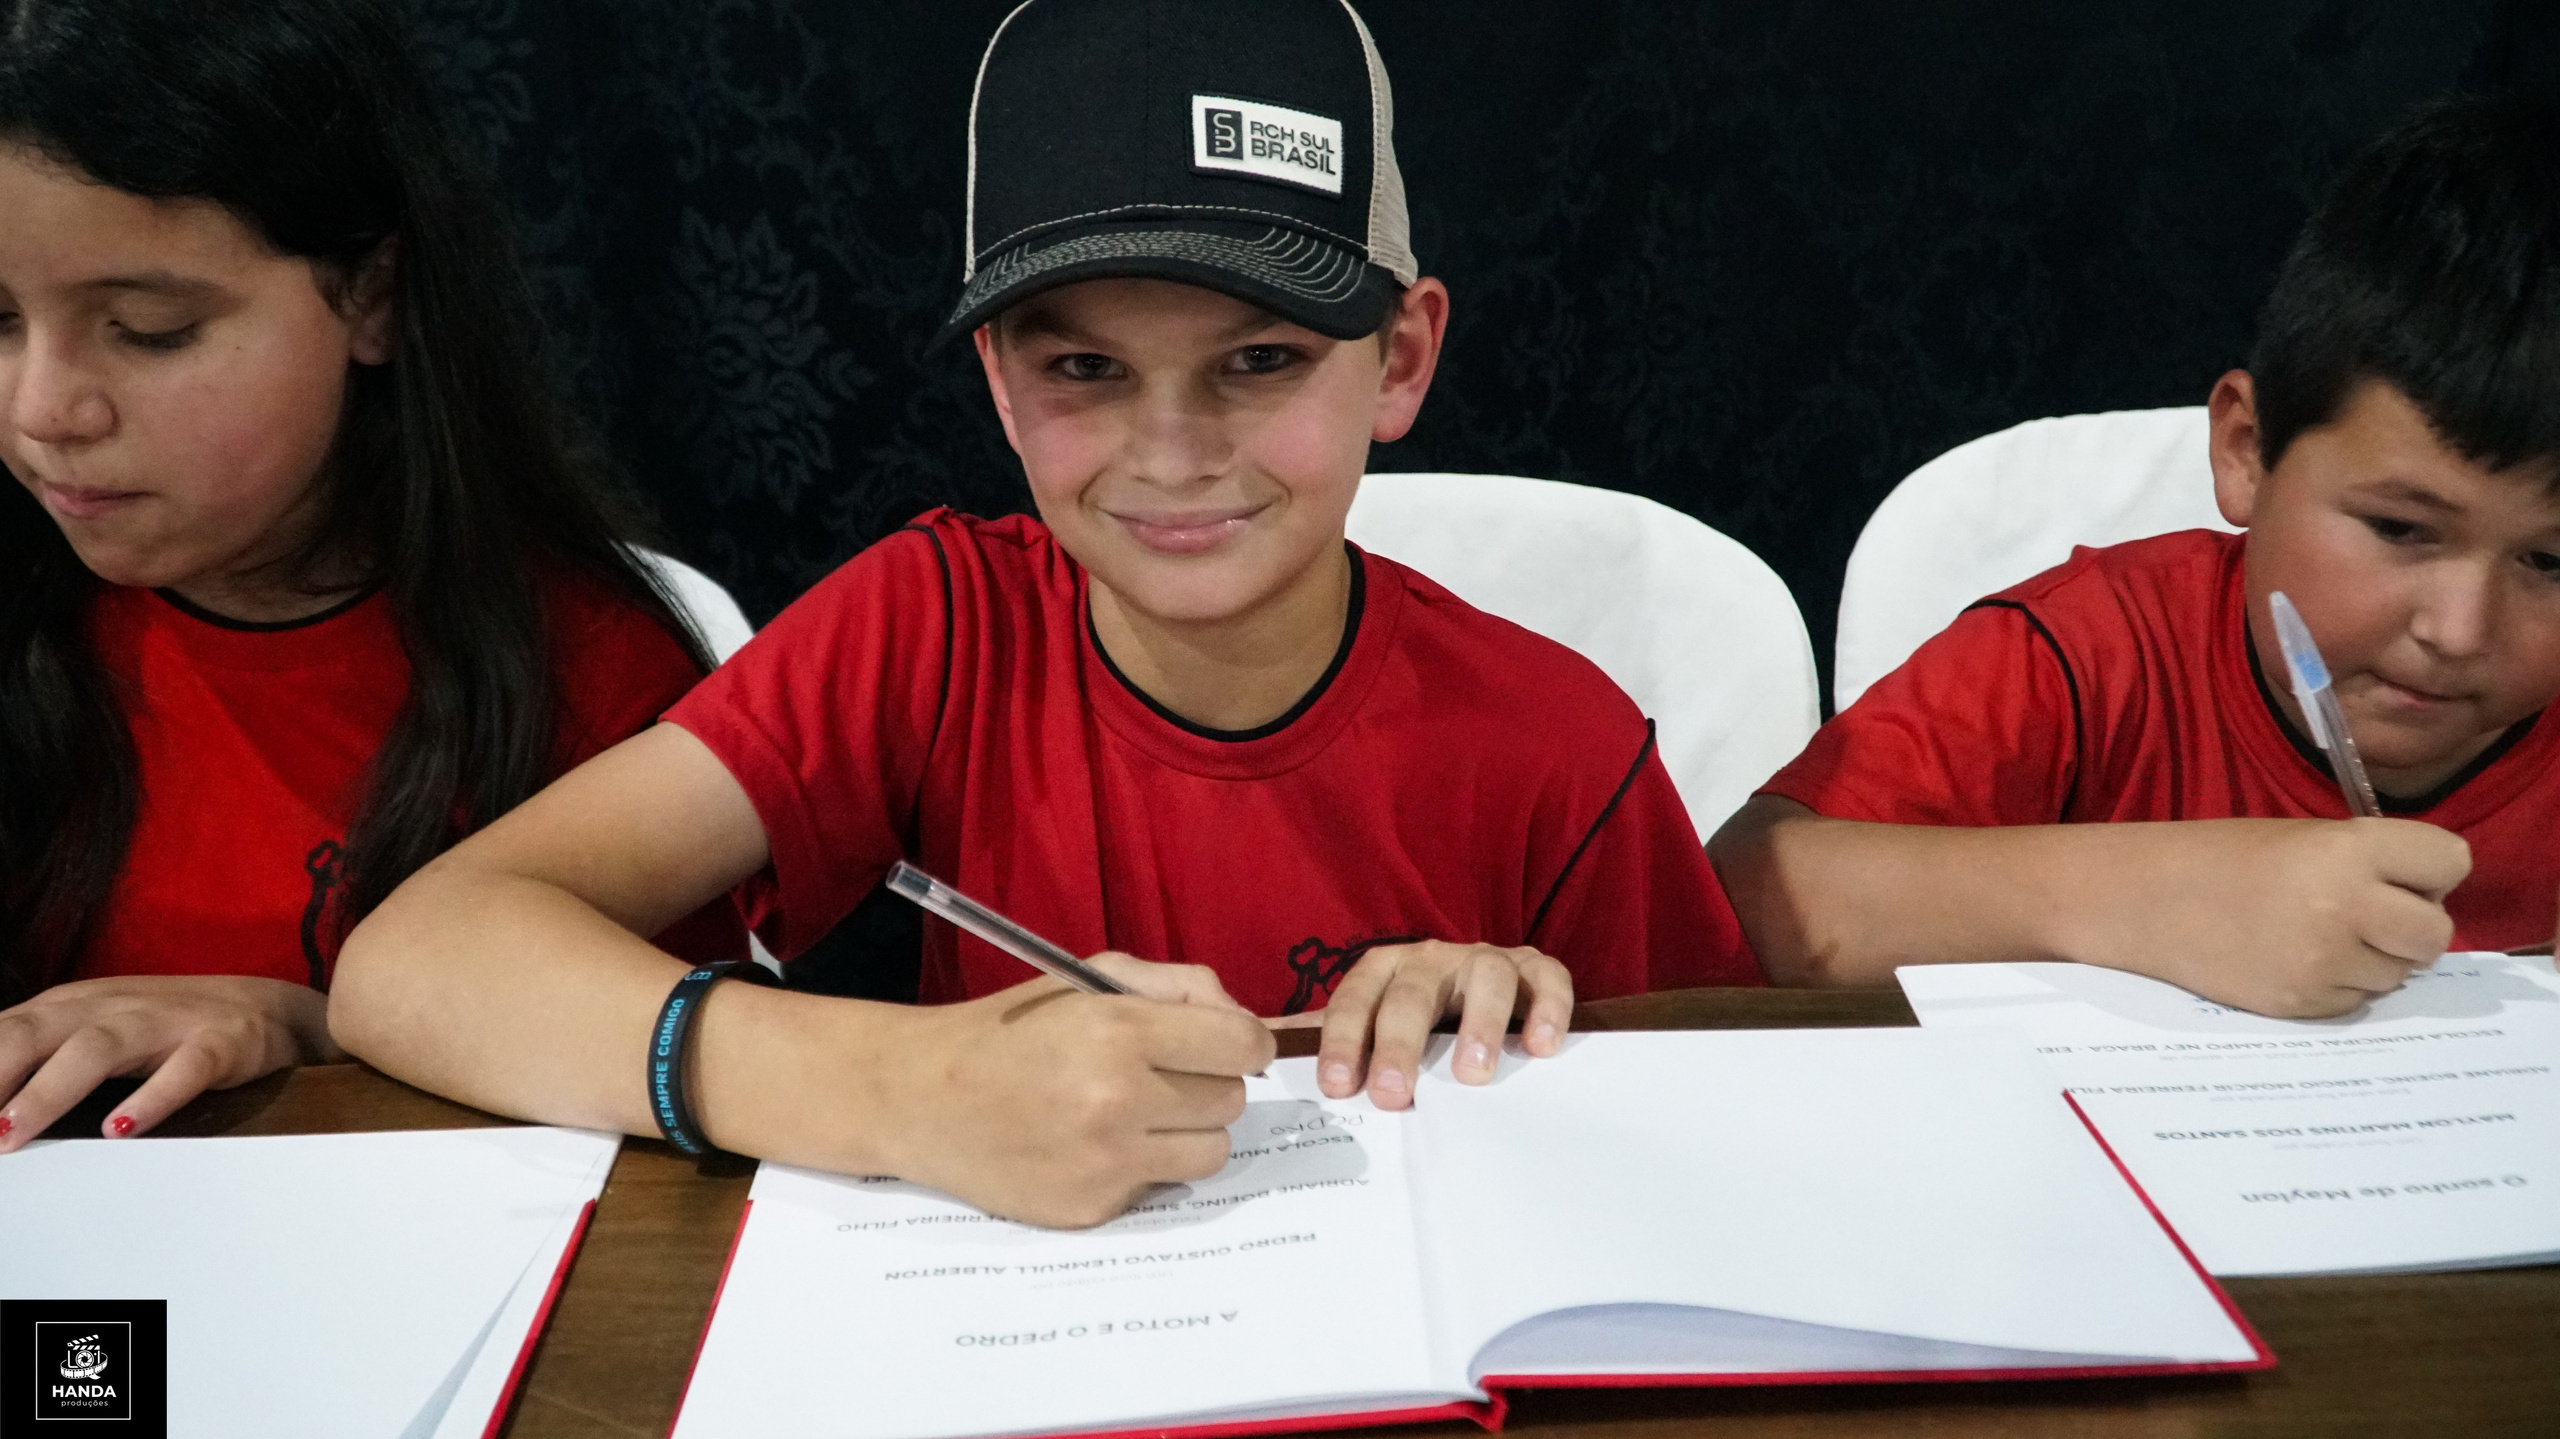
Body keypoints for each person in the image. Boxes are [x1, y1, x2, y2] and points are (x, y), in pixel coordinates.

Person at [332, 0, 1759, 1229]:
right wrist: (911, 1090)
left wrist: (1524, 1022)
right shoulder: (933, 625)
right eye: (1085, 367)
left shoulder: (1556, 743)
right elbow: (416, 959)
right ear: (1004, 387)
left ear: (1400, 358)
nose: (1172, 448)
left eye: (1259, 359)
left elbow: (1722, 1134)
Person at [0, 0, 736, 1150]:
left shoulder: (588, 676)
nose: (46, 410)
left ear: (373, 297)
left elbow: (674, 1082)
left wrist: (311, 1029)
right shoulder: (37, 626)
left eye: (148, 329)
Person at [1711, 97, 2560, 1019]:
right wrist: (2150, 893)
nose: (2458, 629)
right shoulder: (2090, 656)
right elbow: (1748, 897)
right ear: (2245, 450)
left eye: (2551, 562)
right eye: (2400, 529)